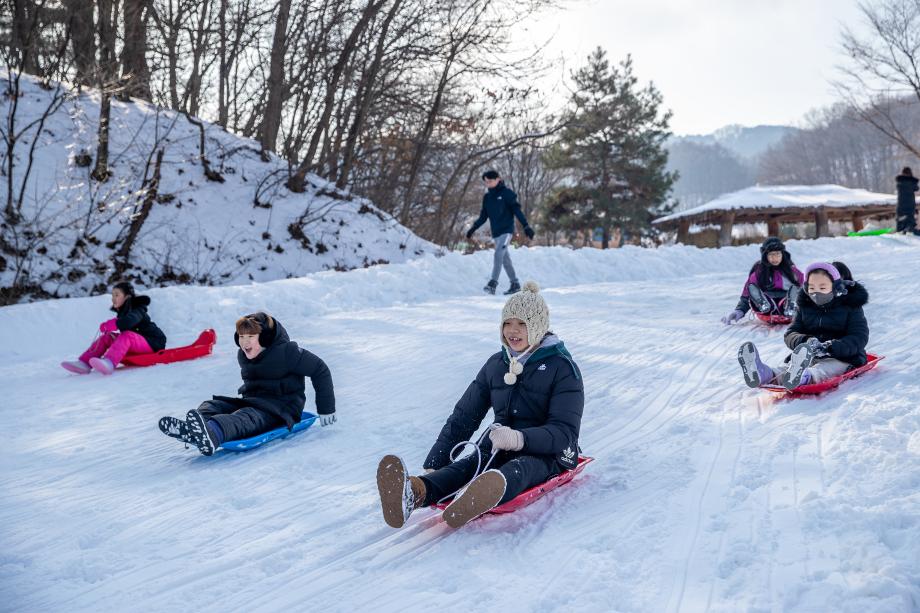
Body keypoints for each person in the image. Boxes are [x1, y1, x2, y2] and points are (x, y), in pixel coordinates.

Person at [376, 282, 584, 529]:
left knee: (521, 469)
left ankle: (476, 497)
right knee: (466, 466)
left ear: (537, 326)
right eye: (507, 323)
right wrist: (436, 461)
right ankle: (414, 492)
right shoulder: (496, 364)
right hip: (498, 446)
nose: (513, 330)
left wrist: (520, 439)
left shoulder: (562, 368)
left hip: (549, 453)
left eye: (522, 324)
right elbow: (464, 416)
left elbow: (565, 432)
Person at [158, 312, 336, 455]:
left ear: (265, 338)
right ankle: (194, 431)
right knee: (213, 405)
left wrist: (326, 408)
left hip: (281, 409)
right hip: (255, 402)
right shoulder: (243, 355)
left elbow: (320, 370)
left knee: (246, 417)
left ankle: (214, 432)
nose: (245, 342)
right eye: (241, 336)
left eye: (251, 336)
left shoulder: (288, 352)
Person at [737, 261, 869, 390]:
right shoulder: (805, 307)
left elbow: (859, 337)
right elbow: (791, 333)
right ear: (806, 288)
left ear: (836, 287)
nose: (816, 293)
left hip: (843, 357)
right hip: (809, 356)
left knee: (822, 370)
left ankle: (803, 377)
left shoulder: (851, 308)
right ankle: (763, 373)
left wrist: (829, 347)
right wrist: (805, 342)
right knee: (786, 370)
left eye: (822, 288)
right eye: (812, 288)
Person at [61, 281, 166, 375]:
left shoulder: (138, 309)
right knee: (107, 337)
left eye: (117, 295)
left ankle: (109, 362)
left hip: (153, 343)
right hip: (138, 344)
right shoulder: (123, 313)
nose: (113, 298)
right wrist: (110, 324)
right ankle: (84, 363)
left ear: (127, 297)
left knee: (127, 335)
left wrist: (115, 323)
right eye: (112, 295)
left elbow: (129, 321)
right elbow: (124, 322)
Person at [466, 169, 536, 295]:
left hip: (507, 231)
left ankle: (492, 283)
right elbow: (483, 217)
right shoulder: (487, 198)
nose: (488, 184)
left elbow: (517, 211)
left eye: (490, 181)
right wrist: (473, 228)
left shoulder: (507, 194)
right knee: (505, 259)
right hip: (496, 233)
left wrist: (526, 226)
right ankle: (515, 284)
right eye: (486, 182)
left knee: (498, 254)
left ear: (498, 179)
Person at [722, 237, 804, 324]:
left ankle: (791, 306)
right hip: (766, 311)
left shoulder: (792, 272)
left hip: (786, 308)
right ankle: (762, 303)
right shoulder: (759, 272)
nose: (775, 258)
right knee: (753, 289)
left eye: (778, 254)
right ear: (765, 256)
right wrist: (739, 310)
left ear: (782, 254)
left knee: (796, 290)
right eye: (771, 255)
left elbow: (806, 291)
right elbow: (747, 295)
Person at [896, 167, 919, 235]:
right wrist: (912, 179)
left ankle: (901, 232)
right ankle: (909, 231)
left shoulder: (899, 183)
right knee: (910, 225)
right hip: (910, 207)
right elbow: (916, 188)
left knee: (900, 224)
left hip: (900, 207)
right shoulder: (912, 183)